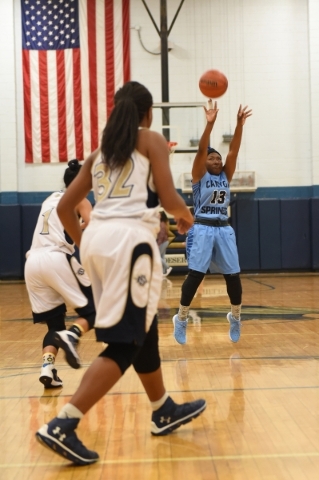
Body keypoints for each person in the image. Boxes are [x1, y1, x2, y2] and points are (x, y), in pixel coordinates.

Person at [35, 81, 206, 465]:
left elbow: (67, 207)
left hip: (97, 241)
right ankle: (63, 423)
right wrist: (184, 215)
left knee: (143, 328)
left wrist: (88, 242)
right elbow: (167, 195)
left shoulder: (100, 152)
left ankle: (162, 408)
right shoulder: (150, 140)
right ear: (147, 114)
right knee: (126, 342)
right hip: (130, 244)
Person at [172, 100, 252, 345]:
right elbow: (201, 152)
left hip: (224, 229)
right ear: (204, 163)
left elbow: (234, 151)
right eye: (213, 159)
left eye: (218, 158)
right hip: (204, 227)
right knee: (195, 275)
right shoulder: (199, 175)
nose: (217, 161)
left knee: (233, 278)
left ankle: (235, 316)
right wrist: (210, 124)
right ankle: (182, 318)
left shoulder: (226, 176)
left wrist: (239, 125)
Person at [24, 160, 96, 388]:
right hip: (56, 257)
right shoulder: (80, 199)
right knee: (96, 309)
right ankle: (73, 334)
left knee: (54, 325)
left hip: (32, 262)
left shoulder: (49, 199)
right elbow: (91, 222)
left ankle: (48, 367)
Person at [157, 210, 172, 276]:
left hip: (163, 242)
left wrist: (158, 244)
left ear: (162, 216)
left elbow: (161, 235)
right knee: (162, 257)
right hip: (165, 241)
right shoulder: (164, 223)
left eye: (159, 215)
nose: (158, 216)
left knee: (157, 256)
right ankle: (163, 272)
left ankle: (168, 267)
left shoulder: (161, 224)